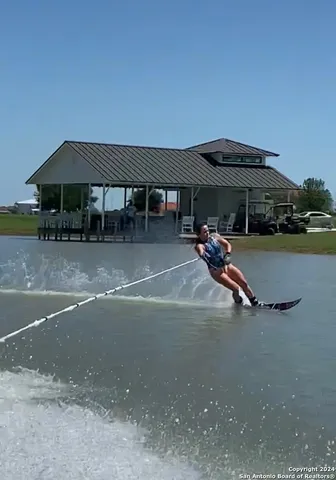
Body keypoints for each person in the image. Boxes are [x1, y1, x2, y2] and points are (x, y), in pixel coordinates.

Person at [194, 222, 260, 306]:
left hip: (227, 266)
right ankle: (238, 304)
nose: (207, 233)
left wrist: (228, 253)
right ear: (199, 234)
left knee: (243, 283)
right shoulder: (200, 245)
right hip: (216, 272)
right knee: (236, 289)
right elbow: (201, 252)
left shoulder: (214, 237)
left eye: (208, 231)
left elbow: (227, 244)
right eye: (204, 232)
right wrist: (203, 254)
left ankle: (255, 303)